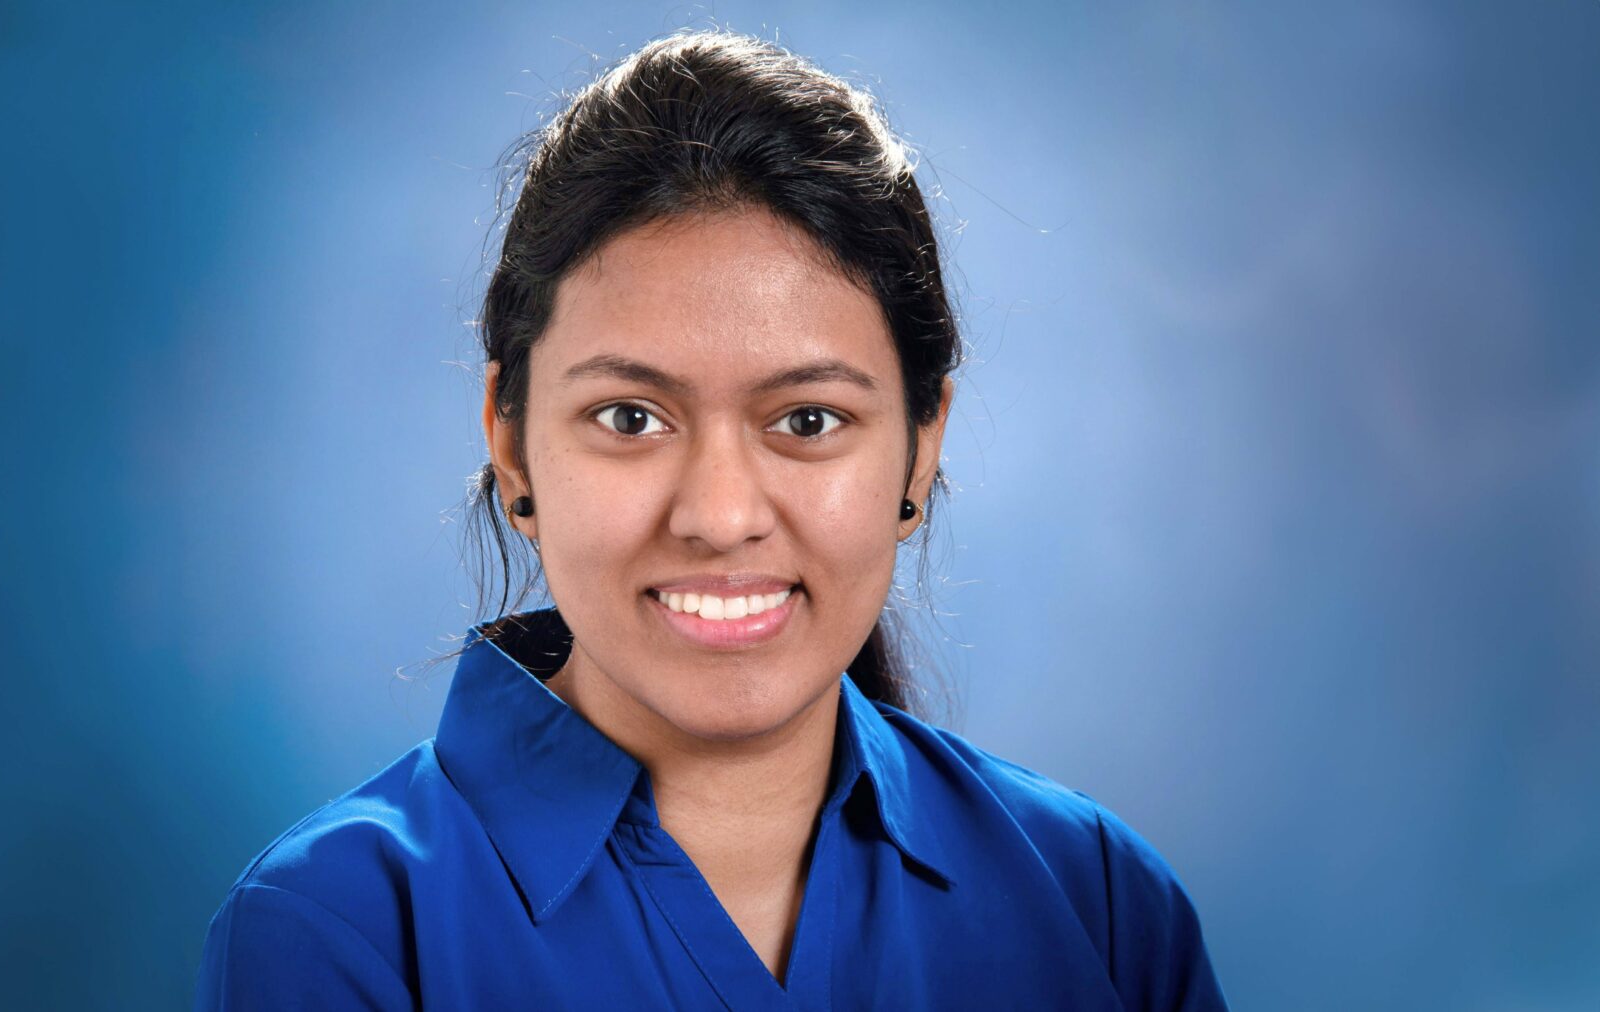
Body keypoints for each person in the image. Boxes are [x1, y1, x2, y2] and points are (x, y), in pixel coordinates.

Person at [192, 28, 1229, 1011]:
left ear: (922, 444)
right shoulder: (343, 932)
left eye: (809, 419)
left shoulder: (1100, 906)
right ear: (510, 441)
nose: (721, 514)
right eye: (632, 417)